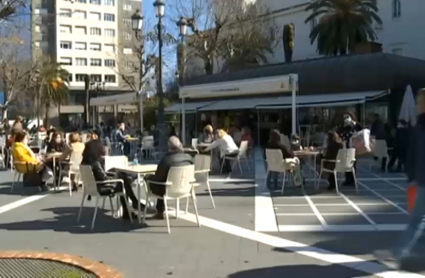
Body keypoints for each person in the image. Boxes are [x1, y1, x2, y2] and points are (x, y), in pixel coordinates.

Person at [374, 89, 425, 269]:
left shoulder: (421, 125)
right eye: (417, 102)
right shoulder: (419, 124)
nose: (417, 105)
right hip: (420, 178)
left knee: (416, 220)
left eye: (420, 102)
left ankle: (397, 254)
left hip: (423, 179)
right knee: (418, 220)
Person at [144, 136, 193, 219]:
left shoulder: (166, 160)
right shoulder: (189, 158)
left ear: (169, 147)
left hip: (167, 190)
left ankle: (160, 211)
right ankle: (160, 211)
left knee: (159, 181)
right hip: (185, 188)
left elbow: (158, 177)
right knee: (164, 180)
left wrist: (147, 177)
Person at [337, 112, 362, 186]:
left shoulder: (356, 125)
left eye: (347, 117)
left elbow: (362, 130)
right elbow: (339, 133)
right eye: (344, 118)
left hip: (354, 147)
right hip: (346, 145)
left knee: (353, 163)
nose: (346, 119)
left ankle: (352, 180)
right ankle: (348, 179)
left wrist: (354, 123)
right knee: (346, 163)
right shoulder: (344, 126)